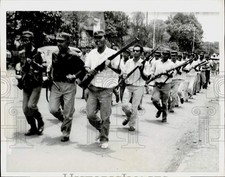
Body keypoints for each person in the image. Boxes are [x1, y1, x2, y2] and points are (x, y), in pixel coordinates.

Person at [85, 30, 121, 149]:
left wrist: (110, 65)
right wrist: (88, 70)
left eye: (100, 37)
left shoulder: (113, 53)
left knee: (105, 116)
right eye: (96, 38)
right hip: (93, 87)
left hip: (106, 89)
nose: (97, 40)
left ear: (105, 38)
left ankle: (104, 138)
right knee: (90, 115)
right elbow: (86, 66)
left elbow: (119, 70)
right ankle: (101, 129)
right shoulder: (91, 53)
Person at [49, 32, 85, 142]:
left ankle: (65, 132)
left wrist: (74, 76)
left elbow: (83, 70)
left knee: (68, 112)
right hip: (56, 84)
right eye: (57, 41)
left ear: (68, 42)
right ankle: (63, 118)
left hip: (69, 85)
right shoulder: (54, 54)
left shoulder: (74, 55)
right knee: (53, 109)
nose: (58, 44)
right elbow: (53, 67)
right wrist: (49, 75)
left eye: (61, 41)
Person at [16, 31, 45, 136]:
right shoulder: (21, 53)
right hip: (26, 84)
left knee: (31, 105)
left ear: (32, 41)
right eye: (23, 40)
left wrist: (33, 63)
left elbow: (44, 67)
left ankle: (40, 122)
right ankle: (33, 127)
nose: (24, 42)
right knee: (25, 109)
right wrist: (19, 80)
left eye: (27, 40)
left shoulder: (38, 53)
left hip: (36, 83)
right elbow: (19, 68)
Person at [121, 44, 150, 131]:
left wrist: (141, 69)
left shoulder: (145, 63)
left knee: (134, 107)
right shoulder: (129, 62)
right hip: (129, 86)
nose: (135, 52)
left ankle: (132, 124)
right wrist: (124, 76)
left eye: (138, 51)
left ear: (141, 53)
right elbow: (124, 73)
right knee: (124, 105)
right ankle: (128, 116)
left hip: (139, 86)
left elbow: (146, 78)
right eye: (134, 50)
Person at [149, 49, 175, 123]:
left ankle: (164, 116)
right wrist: (153, 75)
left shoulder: (171, 64)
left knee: (164, 102)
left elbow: (172, 74)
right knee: (154, 99)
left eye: (166, 54)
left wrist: (167, 74)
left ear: (169, 55)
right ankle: (160, 109)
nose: (164, 56)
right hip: (157, 83)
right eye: (163, 54)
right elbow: (152, 71)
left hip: (166, 84)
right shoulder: (156, 63)